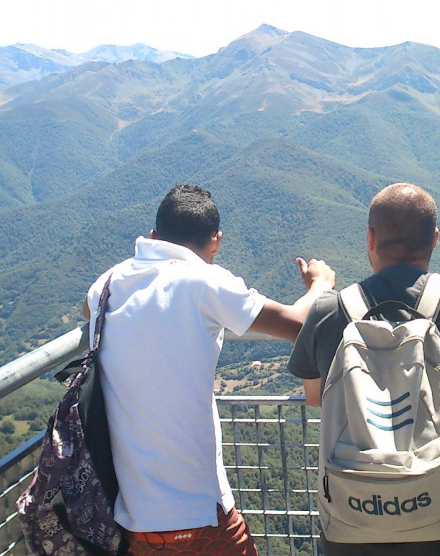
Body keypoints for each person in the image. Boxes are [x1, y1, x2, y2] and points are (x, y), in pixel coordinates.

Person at [82, 184, 335, 556]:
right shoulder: (204, 280)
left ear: (153, 235)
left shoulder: (106, 283)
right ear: (216, 241)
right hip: (196, 511)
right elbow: (300, 324)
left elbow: (88, 311)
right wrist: (320, 285)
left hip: (130, 516)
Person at [288, 182, 440, 556]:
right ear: (435, 239)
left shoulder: (329, 311)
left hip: (355, 528)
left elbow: (316, 396)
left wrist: (320, 291)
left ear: (370, 238)